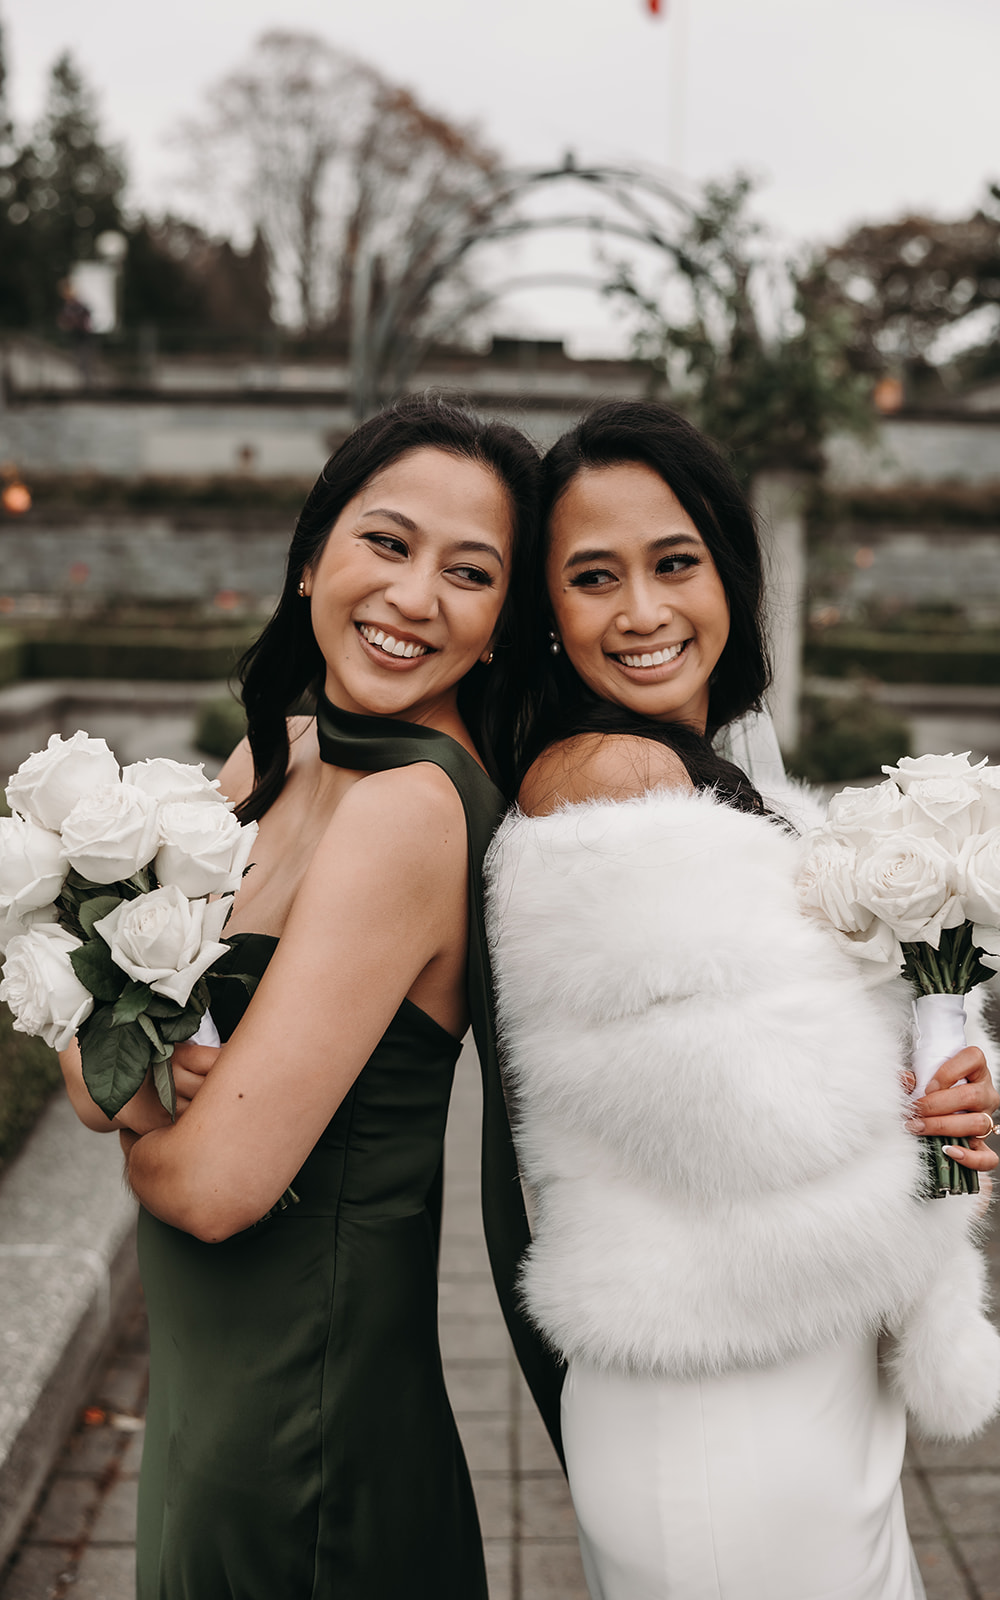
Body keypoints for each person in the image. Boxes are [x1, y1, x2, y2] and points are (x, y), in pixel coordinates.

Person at [485, 400, 1000, 1600]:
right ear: (547, 616)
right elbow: (747, 1115)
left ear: (729, 568)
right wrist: (924, 1148)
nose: (642, 612)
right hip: (715, 1408)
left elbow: (819, 1051)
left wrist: (945, 1073)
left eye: (674, 562)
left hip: (807, 1370)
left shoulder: (715, 764)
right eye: (591, 577)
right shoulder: (605, 776)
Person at [59, 395, 562, 1599]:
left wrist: (155, 1121)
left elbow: (213, 1184)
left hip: (309, 1415)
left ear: (501, 623)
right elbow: (93, 1070)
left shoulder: (413, 808)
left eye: (470, 572)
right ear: (310, 560)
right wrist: (156, 1100)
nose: (413, 596)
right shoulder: (270, 757)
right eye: (385, 542)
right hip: (208, 1397)